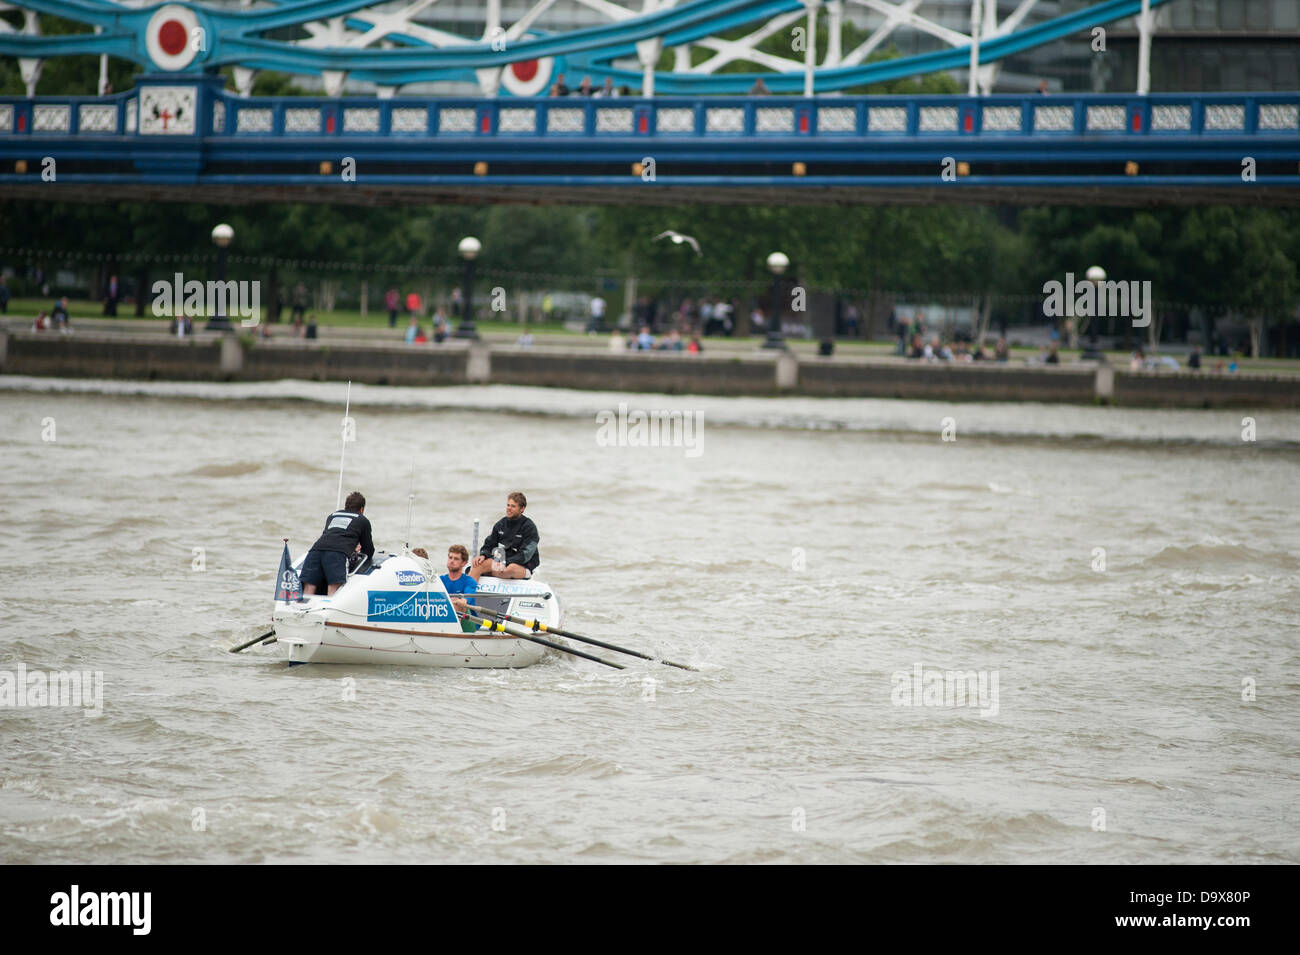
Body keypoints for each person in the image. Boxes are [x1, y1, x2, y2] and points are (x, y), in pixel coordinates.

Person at [301, 491, 375, 596]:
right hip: (336, 554)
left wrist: (351, 547)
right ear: (361, 509)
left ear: (346, 506)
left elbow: (334, 536)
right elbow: (368, 549)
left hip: (315, 551)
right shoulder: (362, 520)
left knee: (309, 589)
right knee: (334, 589)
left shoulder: (333, 516)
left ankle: (302, 610)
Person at [470, 492, 540, 581]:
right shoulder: (500, 524)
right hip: (502, 562)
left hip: (523, 565)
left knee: (505, 570)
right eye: (508, 505)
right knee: (478, 565)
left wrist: (504, 562)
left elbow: (525, 555)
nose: (509, 509)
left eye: (513, 506)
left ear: (522, 509)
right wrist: (483, 555)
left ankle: (492, 573)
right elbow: (490, 544)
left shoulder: (529, 527)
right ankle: (466, 594)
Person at [439, 544, 479, 622]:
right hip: (445, 616)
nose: (452, 561)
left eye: (456, 559)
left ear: (464, 563)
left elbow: (464, 601)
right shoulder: (441, 580)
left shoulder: (469, 582)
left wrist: (456, 601)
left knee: (457, 604)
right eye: (450, 558)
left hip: (469, 623)